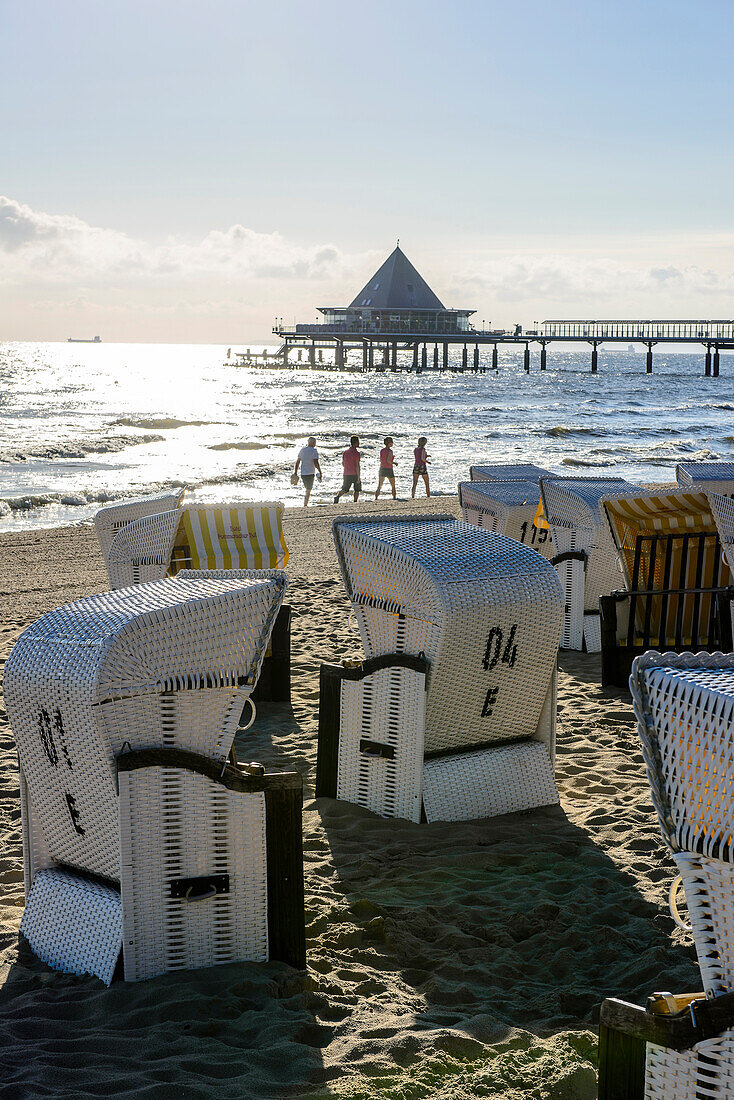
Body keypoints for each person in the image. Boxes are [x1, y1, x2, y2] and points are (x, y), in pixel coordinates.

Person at [294, 436, 322, 506]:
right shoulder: (314, 451)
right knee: (308, 490)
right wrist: (320, 471)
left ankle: (305, 503)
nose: (315, 444)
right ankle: (305, 504)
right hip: (310, 472)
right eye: (315, 442)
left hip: (303, 473)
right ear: (313, 443)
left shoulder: (302, 450)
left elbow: (298, 462)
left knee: (307, 488)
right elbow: (316, 462)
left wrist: (295, 472)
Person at [334, 435, 361, 503]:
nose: (359, 443)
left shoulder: (345, 452)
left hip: (346, 473)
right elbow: (357, 465)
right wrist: (358, 477)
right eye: (358, 442)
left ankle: (337, 497)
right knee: (357, 489)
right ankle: (355, 501)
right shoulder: (357, 453)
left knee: (345, 489)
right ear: (356, 442)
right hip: (354, 473)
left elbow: (343, 463)